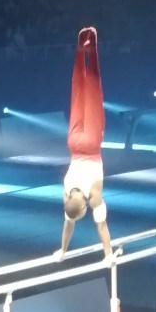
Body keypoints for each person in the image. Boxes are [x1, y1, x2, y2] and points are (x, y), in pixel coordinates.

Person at [55, 26, 118, 263]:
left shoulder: (94, 197)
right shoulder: (67, 194)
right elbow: (68, 224)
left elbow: (101, 225)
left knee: (93, 90)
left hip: (91, 144)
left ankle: (92, 48)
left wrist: (108, 254)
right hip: (73, 144)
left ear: (84, 209)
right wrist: (62, 251)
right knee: (79, 91)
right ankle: (81, 48)